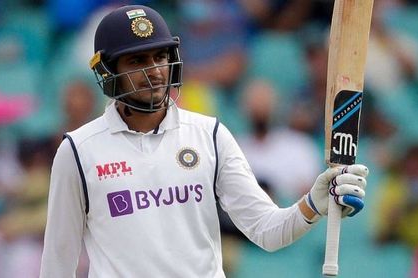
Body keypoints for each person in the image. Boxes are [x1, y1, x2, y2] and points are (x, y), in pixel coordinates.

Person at [39, 5, 369, 277]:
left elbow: (267, 232)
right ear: (109, 72)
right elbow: (58, 261)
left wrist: (313, 203)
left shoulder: (209, 135)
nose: (154, 70)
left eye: (160, 57)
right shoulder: (79, 151)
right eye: (137, 60)